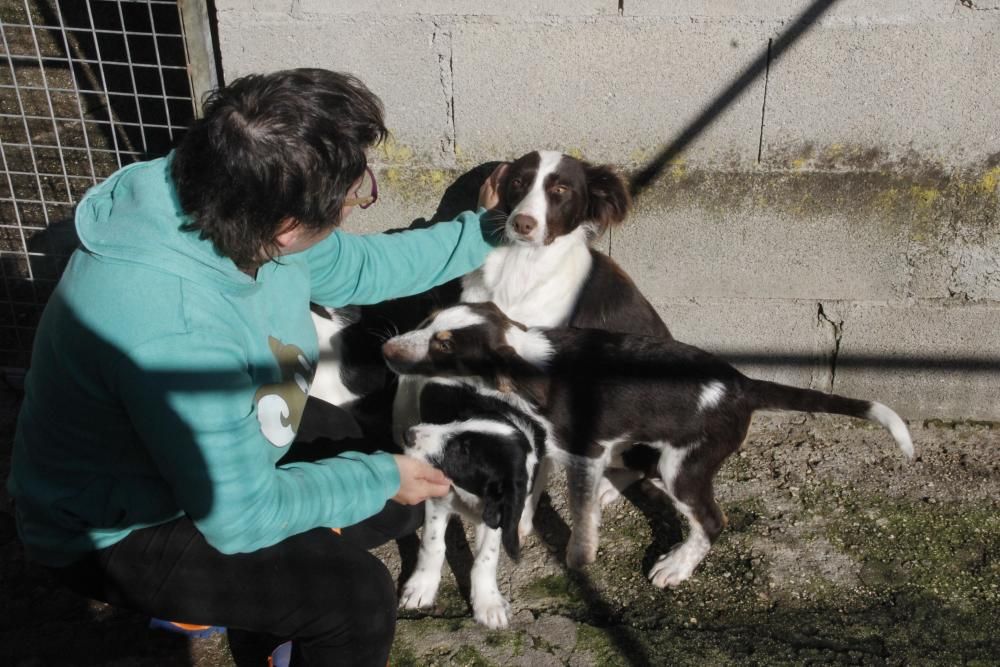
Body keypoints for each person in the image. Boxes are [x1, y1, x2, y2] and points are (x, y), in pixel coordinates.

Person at [7, 68, 506, 666]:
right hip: (121, 527)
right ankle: (231, 601)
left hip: (213, 450)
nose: (356, 202)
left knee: (386, 487)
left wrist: (487, 231)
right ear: (287, 229)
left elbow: (361, 268)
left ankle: (264, 618)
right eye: (356, 194)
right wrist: (377, 476)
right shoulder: (174, 331)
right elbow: (241, 516)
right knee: (356, 598)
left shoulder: (219, 196)